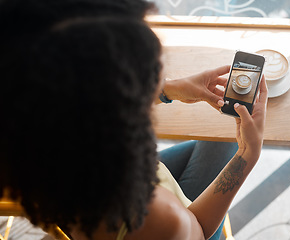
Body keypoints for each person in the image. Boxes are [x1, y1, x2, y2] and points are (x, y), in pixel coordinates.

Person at [0, 0, 268, 240]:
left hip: (139, 182)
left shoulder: (48, 146)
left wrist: (168, 90)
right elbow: (197, 229)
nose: (160, 68)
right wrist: (248, 155)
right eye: (148, 74)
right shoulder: (157, 219)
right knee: (229, 144)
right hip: (184, 224)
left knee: (217, 140)